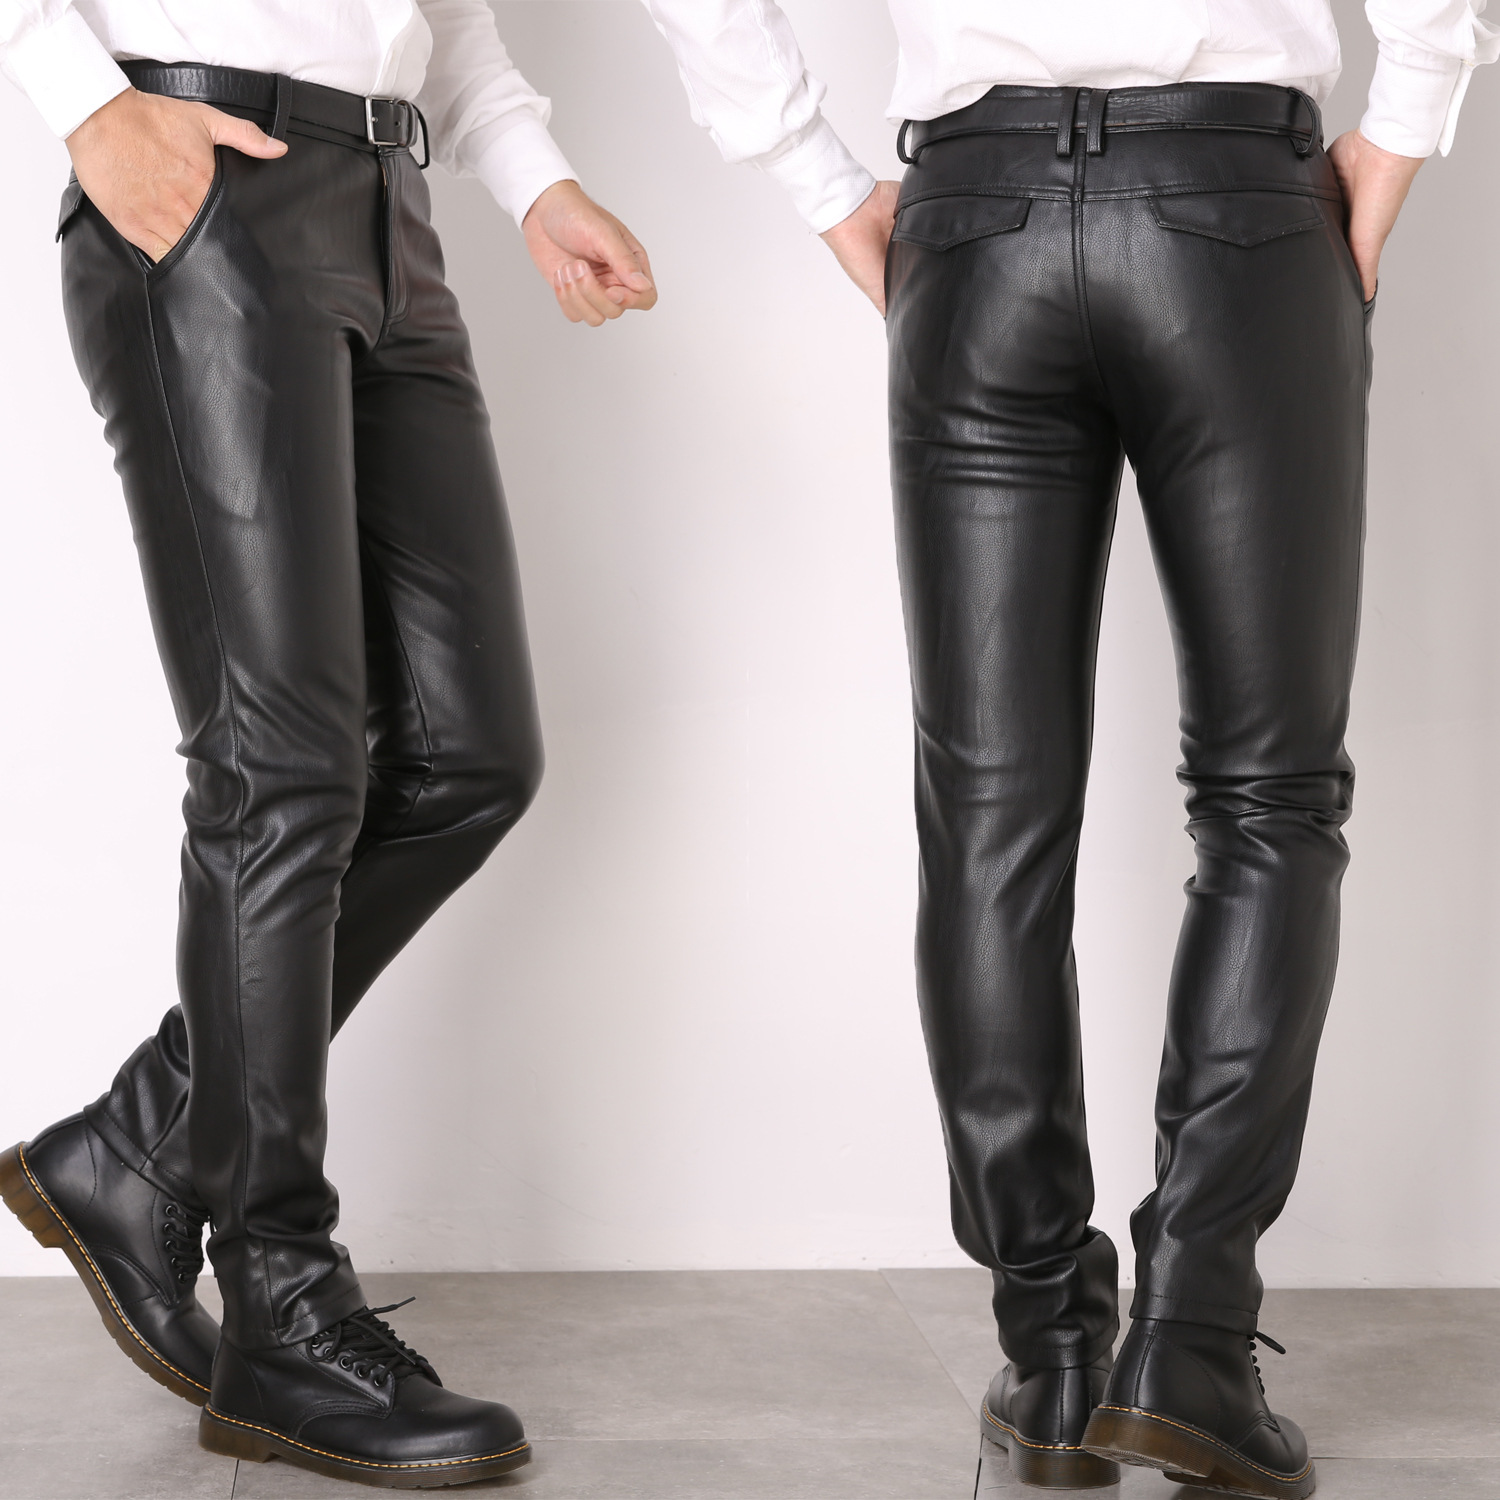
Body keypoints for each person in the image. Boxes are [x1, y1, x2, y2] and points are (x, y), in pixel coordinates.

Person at [639, 1, 1494, 1495]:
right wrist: (1410, 117)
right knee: (1270, 800)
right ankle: (1193, 1343)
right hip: (1236, 210)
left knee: (988, 819)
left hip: (977, 224)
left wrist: (821, 179)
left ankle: (1051, 1359)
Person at [0, 2, 654, 1488]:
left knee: (470, 757)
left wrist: (537, 180)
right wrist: (84, 102)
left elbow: (437, 20)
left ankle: (149, 1138)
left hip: (387, 212)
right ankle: (280, 1303)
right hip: (200, 176)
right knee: (278, 773)